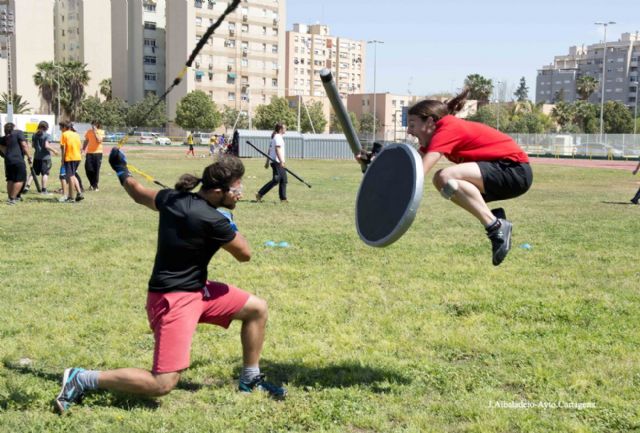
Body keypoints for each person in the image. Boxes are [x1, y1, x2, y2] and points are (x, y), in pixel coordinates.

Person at [54, 150, 287, 413]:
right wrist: (229, 224)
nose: (240, 193)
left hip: (197, 291)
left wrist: (121, 169)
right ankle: (81, 378)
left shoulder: (172, 198)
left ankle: (250, 379)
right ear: (218, 190)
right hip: (174, 301)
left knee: (257, 308)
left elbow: (137, 192)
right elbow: (245, 254)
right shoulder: (213, 220)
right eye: (236, 188)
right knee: (162, 383)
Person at [406, 89, 532, 266]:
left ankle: (495, 226)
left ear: (429, 122)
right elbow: (408, 164)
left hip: (514, 170)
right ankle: (495, 221)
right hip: (508, 174)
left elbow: (421, 171)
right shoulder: (438, 134)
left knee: (445, 176)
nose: (409, 131)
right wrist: (373, 162)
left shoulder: (447, 128)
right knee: (443, 181)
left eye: (412, 124)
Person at [256, 123, 288, 203]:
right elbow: (277, 150)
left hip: (277, 161)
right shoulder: (277, 137)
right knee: (276, 180)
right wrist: (281, 161)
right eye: (284, 128)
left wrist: (267, 162)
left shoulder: (276, 137)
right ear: (280, 129)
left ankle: (283, 199)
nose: (286, 129)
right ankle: (260, 194)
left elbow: (269, 150)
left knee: (283, 179)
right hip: (276, 161)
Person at [0, 122, 31, 205]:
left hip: (8, 161)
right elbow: (24, 145)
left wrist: (6, 154)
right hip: (18, 160)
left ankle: (10, 197)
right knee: (20, 179)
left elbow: (1, 147)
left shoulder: (4, 138)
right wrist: (29, 156)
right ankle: (13, 199)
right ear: (13, 128)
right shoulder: (18, 133)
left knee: (10, 179)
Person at [24, 121, 58, 195]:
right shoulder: (47, 135)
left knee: (33, 173)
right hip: (45, 158)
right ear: (46, 127)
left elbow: (32, 145)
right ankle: (44, 190)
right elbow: (46, 146)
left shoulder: (34, 135)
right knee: (45, 174)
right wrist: (54, 150)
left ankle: (27, 187)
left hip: (37, 157)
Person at [59, 121, 84, 203]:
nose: (60, 129)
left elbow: (63, 148)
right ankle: (79, 193)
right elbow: (80, 147)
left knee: (70, 177)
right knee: (73, 175)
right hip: (77, 158)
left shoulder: (64, 134)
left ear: (65, 127)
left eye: (60, 127)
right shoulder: (76, 134)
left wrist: (62, 160)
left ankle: (71, 197)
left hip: (69, 157)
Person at [82, 120, 105, 191]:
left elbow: (99, 140)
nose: (93, 125)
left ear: (98, 124)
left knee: (96, 170)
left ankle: (95, 186)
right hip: (89, 153)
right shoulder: (89, 131)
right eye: (92, 124)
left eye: (94, 124)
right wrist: (83, 149)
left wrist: (95, 132)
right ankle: (92, 184)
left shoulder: (101, 131)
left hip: (98, 153)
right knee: (88, 168)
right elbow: (86, 140)